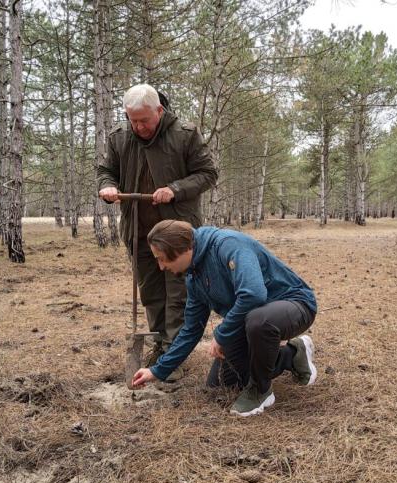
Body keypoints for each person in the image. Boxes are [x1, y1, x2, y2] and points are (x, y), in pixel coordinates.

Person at [132, 220, 318, 417]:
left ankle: (260, 392)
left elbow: (253, 295)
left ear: (182, 249)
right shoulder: (193, 278)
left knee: (259, 320)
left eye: (162, 259)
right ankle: (292, 354)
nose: (161, 266)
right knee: (223, 383)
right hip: (253, 318)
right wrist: (157, 371)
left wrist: (221, 335)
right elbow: (191, 330)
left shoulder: (227, 244)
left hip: (294, 304)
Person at [98, 84, 217, 381]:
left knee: (178, 293)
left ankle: (174, 352)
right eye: (132, 120)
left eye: (144, 121)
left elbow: (207, 173)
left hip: (177, 231)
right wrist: (107, 186)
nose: (138, 127)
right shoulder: (119, 138)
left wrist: (175, 189)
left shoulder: (185, 134)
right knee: (151, 292)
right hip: (138, 230)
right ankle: (160, 344)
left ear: (159, 111)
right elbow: (105, 170)